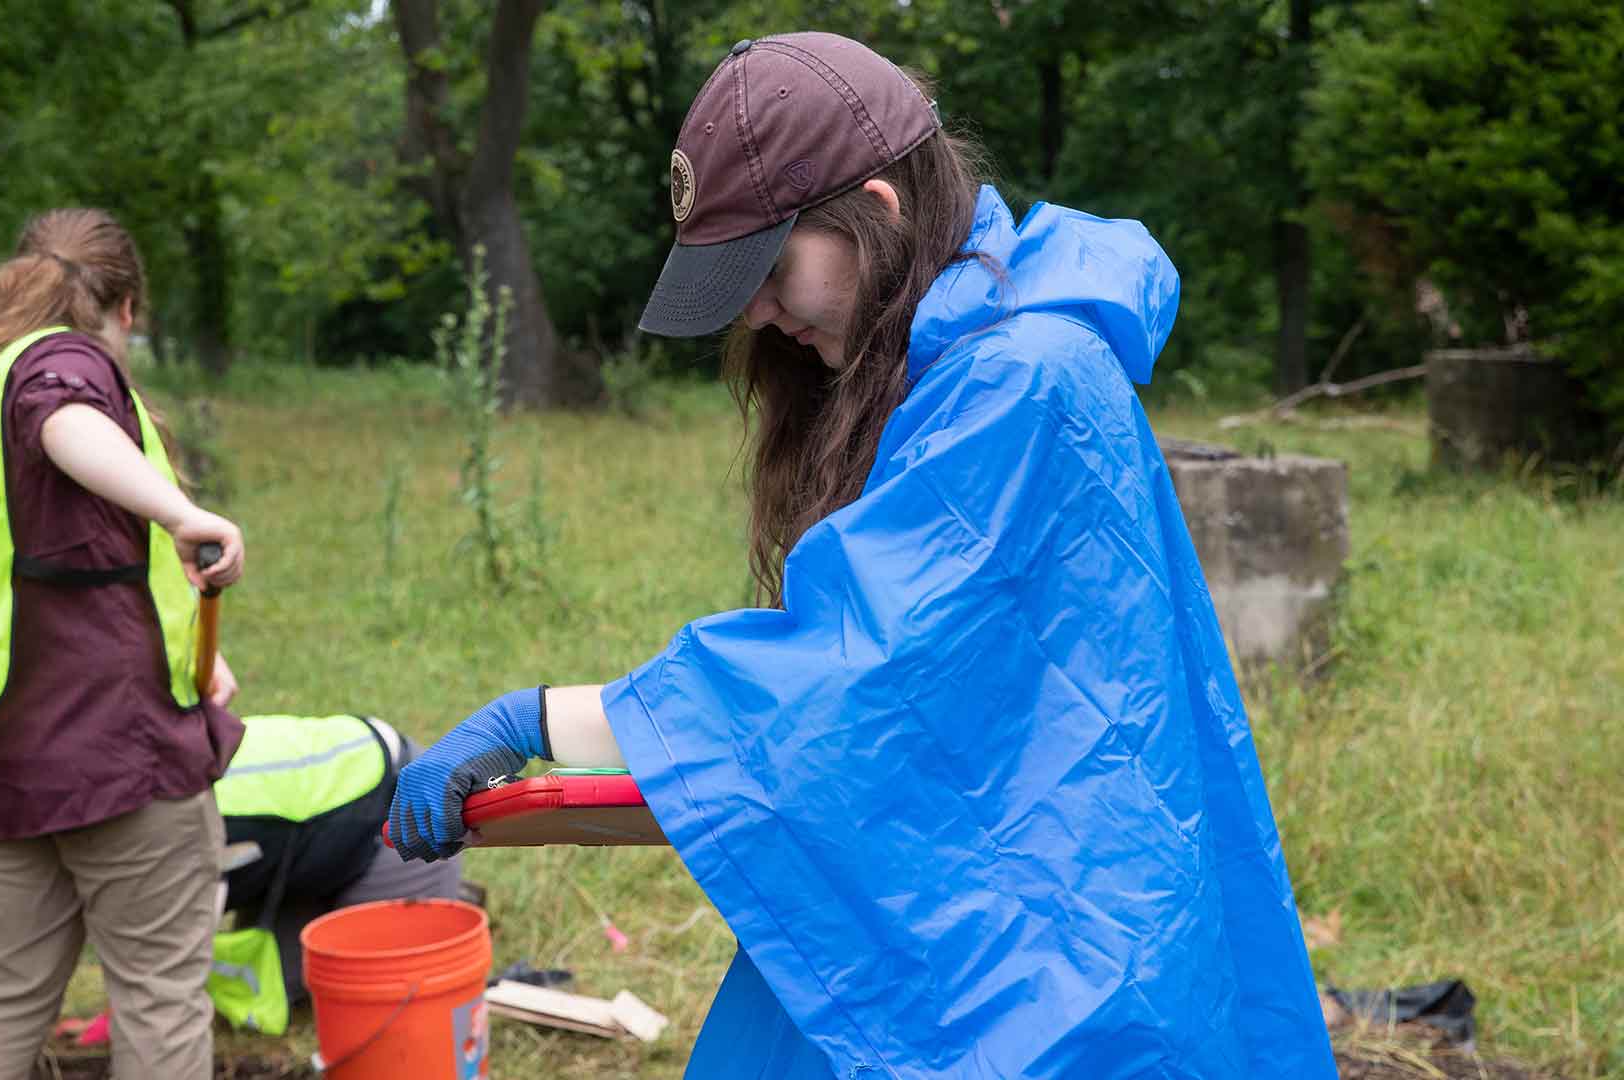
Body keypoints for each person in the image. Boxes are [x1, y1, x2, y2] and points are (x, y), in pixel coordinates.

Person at [387, 31, 1338, 1079]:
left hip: (1056, 969)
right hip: (1004, 902)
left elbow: (851, 679)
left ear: (876, 214)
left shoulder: (1019, 384)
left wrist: (537, 719)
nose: (754, 313)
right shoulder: (973, 362)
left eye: (769, 271)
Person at [0, 208, 246, 1079]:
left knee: (8, 987)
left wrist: (190, 653)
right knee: (161, 995)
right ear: (126, 308)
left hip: (8, 750)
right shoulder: (63, 366)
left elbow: (70, 572)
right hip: (110, 754)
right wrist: (180, 512)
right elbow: (68, 421)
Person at [209, 712, 465, 1034]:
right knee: (276, 993)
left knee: (386, 1005)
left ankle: (428, 893)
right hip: (303, 850)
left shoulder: (178, 824)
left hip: (400, 811)